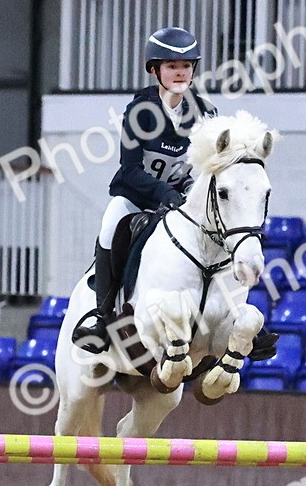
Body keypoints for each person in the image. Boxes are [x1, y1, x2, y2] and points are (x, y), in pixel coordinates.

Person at [71, 26, 216, 353]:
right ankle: (101, 315)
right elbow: (131, 169)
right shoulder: (140, 112)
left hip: (182, 199)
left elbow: (206, 166)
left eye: (186, 67)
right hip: (136, 197)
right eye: (171, 66)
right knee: (109, 228)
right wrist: (164, 194)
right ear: (155, 70)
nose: (180, 73)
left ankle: (230, 312)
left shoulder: (205, 112)